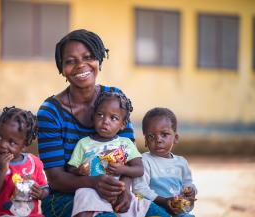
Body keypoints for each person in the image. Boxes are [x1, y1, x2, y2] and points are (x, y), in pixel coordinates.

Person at [37, 29, 169, 217]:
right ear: (61, 68)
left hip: (116, 190)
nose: (80, 65)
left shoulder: (116, 100)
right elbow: (56, 179)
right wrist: (94, 182)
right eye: (70, 61)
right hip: (66, 196)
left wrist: (123, 187)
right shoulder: (50, 112)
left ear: (99, 59)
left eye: (88, 57)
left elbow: (130, 158)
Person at [67, 91, 151, 217]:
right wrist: (79, 171)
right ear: (93, 117)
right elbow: (70, 168)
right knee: (83, 196)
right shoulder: (84, 143)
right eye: (100, 115)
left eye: (113, 118)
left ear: (122, 125)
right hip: (92, 190)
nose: (105, 121)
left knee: (141, 207)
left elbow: (139, 169)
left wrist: (122, 169)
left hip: (118, 192)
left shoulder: (125, 143)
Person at [0, 106, 50, 217]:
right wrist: (2, 170)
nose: (2, 145)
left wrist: (41, 193)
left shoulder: (33, 163)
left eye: (12, 142)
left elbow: (45, 188)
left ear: (24, 146)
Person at [133, 107, 197, 217]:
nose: (158, 140)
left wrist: (190, 192)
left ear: (175, 138)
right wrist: (163, 201)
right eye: (151, 136)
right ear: (145, 141)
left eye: (164, 134)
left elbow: (188, 184)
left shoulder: (181, 163)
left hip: (178, 211)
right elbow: (139, 188)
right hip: (153, 211)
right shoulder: (144, 160)